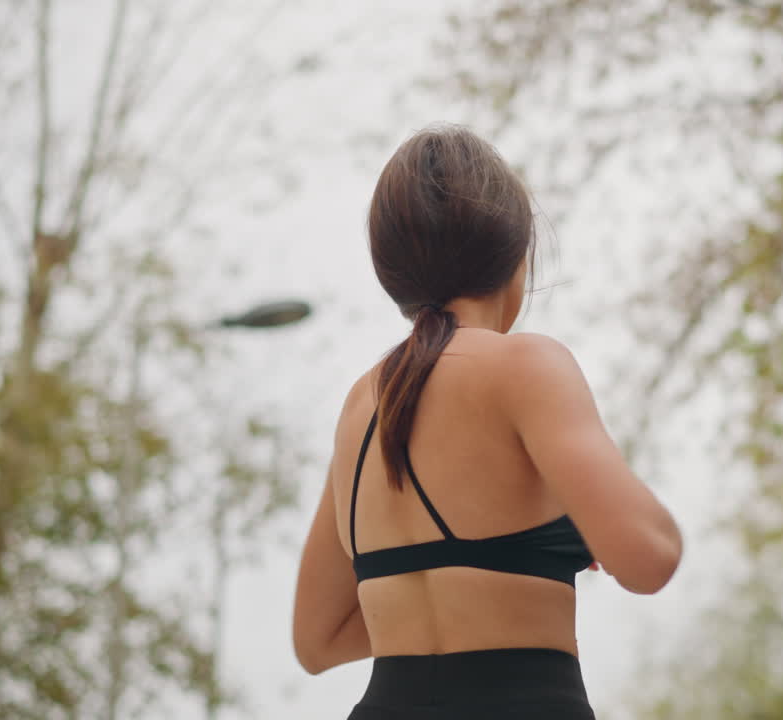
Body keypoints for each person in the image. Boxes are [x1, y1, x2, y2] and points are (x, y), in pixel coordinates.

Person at [292, 124, 683, 720]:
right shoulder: (526, 365)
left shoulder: (361, 404)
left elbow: (316, 640)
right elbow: (651, 556)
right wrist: (585, 519)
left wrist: (439, 590)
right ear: (516, 257)